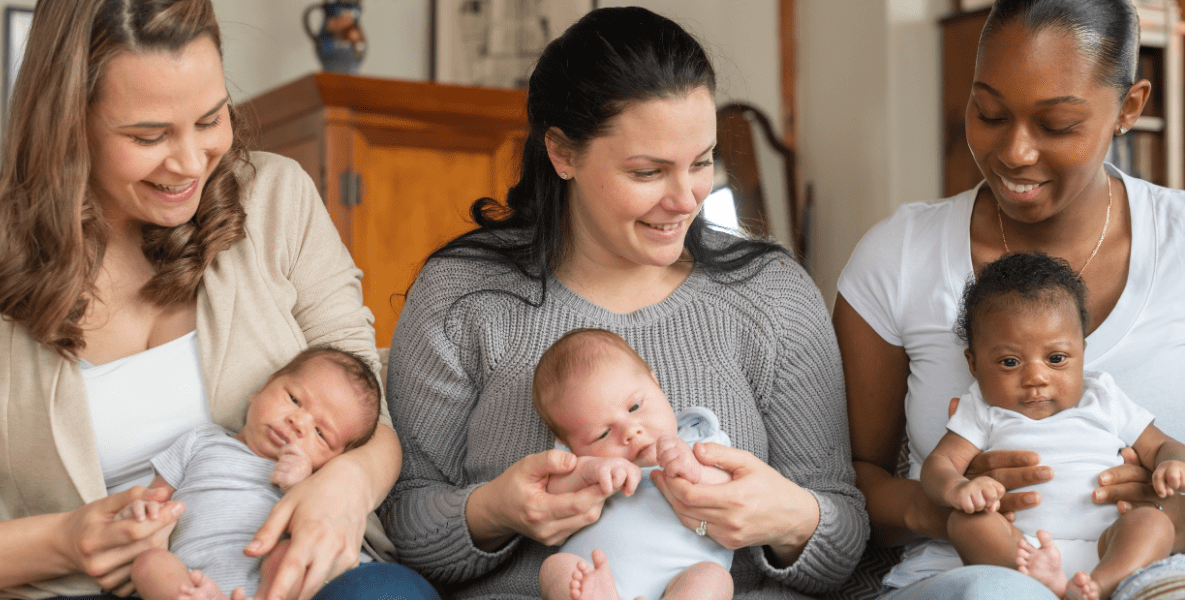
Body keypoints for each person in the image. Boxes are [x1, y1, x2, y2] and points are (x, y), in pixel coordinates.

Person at [383, 6, 868, 599]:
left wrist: (790, 518)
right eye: (647, 172)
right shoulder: (465, 295)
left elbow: (845, 536)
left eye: (702, 162)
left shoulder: (769, 293)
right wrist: (496, 510)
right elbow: (402, 523)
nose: (686, 198)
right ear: (562, 153)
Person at [0, 1, 437, 599]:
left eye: (210, 119)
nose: (190, 163)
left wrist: (348, 483)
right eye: (148, 136)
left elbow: (369, 413)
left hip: (292, 572)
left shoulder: (277, 201)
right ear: (67, 123)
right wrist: (65, 541)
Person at [833, 0, 1185, 598]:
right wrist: (943, 502)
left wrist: (1172, 499)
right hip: (971, 578)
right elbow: (840, 483)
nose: (1016, 152)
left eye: (1058, 125)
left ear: (1130, 107)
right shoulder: (896, 258)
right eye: (989, 111)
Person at [919, 253, 1185, 600]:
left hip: (1108, 541)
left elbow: (1163, 444)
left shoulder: (1103, 396)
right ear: (973, 362)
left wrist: (1170, 464)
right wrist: (956, 488)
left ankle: (1099, 587)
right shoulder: (981, 408)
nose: (1036, 378)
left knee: (1153, 522)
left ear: (1083, 352)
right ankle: (1039, 586)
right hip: (1021, 550)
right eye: (1010, 362)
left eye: (1056, 359)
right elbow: (938, 465)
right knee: (965, 523)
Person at [124, 347, 383, 600]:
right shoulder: (200, 440)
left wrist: (298, 487)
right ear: (261, 388)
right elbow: (155, 496)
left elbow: (312, 526)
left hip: (266, 583)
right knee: (148, 563)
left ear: (335, 459)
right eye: (294, 399)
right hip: (185, 575)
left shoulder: (312, 481)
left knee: (289, 553)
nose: (299, 422)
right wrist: (142, 510)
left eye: (320, 433)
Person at [531, 328, 734, 600]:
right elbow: (551, 500)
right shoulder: (577, 464)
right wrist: (590, 471)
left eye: (635, 406)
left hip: (682, 574)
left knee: (714, 578)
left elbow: (734, 491)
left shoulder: (699, 439)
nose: (630, 431)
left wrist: (695, 470)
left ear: (655, 381)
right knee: (555, 567)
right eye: (602, 434)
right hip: (596, 575)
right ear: (570, 445)